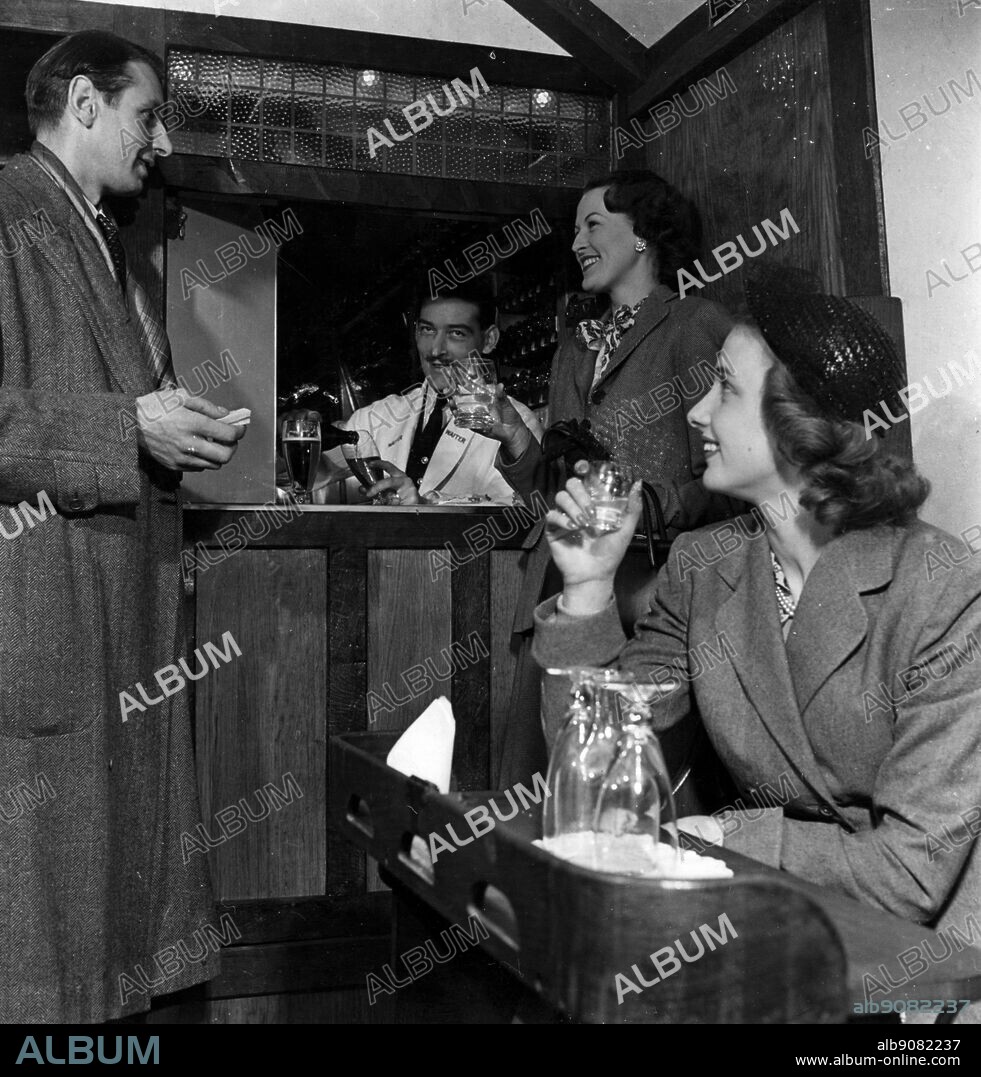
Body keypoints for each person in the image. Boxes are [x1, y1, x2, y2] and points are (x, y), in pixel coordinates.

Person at [533, 280, 981, 1021]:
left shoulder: (942, 591)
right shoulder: (703, 565)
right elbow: (600, 769)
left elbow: (908, 871)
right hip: (776, 937)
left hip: (923, 974)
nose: (695, 412)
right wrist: (586, 587)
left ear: (798, 427)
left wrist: (722, 834)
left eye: (724, 389)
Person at [0, 31, 246, 1022]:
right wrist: (125, 425)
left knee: (103, 918)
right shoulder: (10, 211)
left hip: (114, 615)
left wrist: (172, 427)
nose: (163, 140)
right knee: (42, 928)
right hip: (41, 609)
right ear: (86, 103)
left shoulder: (105, 240)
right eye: (149, 115)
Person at [490, 170, 738, 787]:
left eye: (592, 224)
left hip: (649, 600)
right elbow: (552, 493)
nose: (576, 242)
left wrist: (653, 506)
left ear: (646, 235)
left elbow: (725, 479)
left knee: (631, 788)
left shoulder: (693, 324)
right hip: (562, 587)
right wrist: (516, 437)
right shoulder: (575, 344)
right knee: (544, 783)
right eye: (575, 229)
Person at [321, 280, 542, 505]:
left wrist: (426, 506)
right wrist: (296, 438)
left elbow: (525, 516)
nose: (436, 350)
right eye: (428, 330)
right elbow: (308, 483)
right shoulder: (376, 418)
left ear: (489, 340)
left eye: (456, 333)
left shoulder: (516, 425)